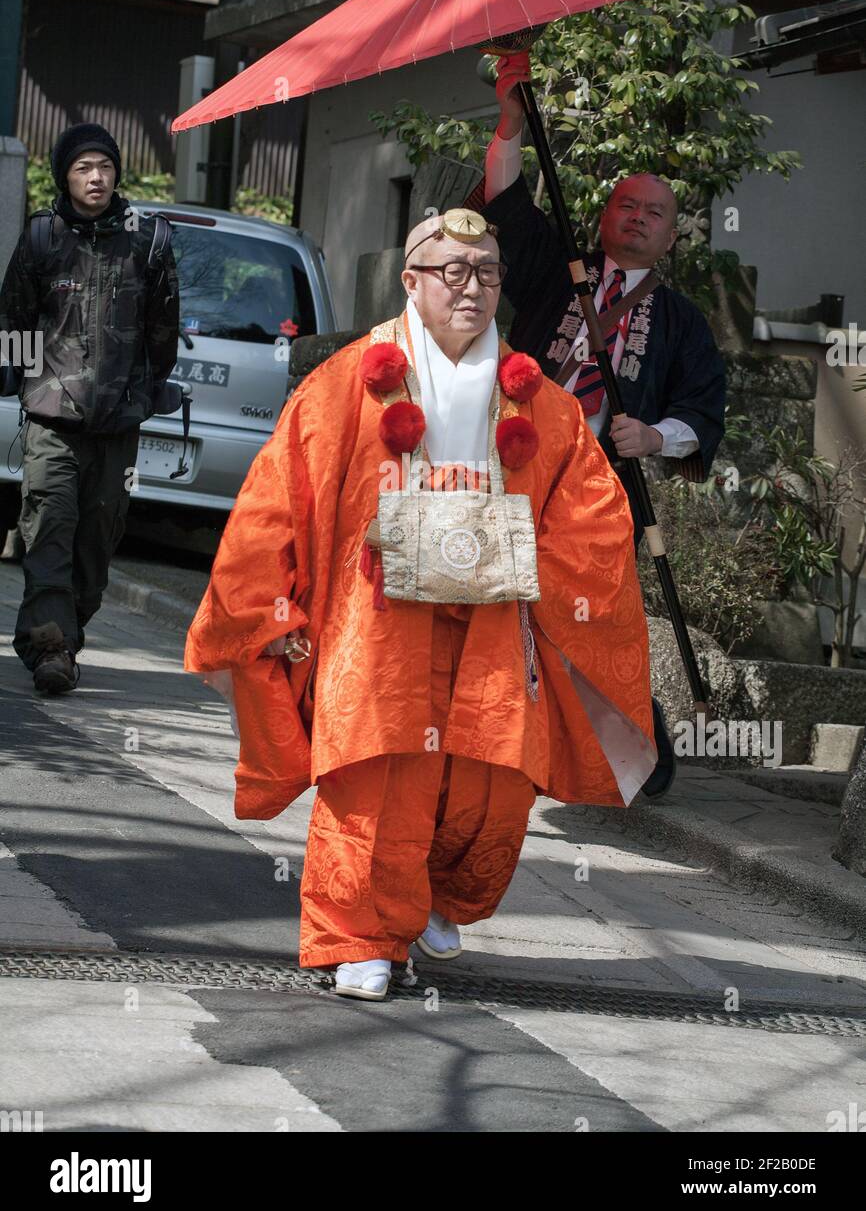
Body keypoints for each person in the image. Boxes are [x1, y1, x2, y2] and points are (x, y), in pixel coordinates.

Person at [185, 206, 657, 1002]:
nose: (473, 290)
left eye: (489, 274)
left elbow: (591, 510)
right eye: (454, 273)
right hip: (378, 616)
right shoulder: (345, 383)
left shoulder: (537, 398)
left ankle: (439, 895)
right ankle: (358, 935)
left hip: (496, 614)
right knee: (377, 765)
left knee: (492, 778)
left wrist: (542, 559)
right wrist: (268, 606)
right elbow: (279, 497)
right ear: (412, 281)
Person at [469, 53, 727, 798]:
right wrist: (512, 123)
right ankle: (495, 732)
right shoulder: (560, 269)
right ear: (606, 214)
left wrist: (654, 436)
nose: (637, 219)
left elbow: (704, 410)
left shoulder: (681, 323)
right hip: (512, 463)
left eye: (654, 214)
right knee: (494, 597)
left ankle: (635, 743)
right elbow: (506, 203)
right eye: (626, 206)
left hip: (598, 487)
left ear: (672, 236)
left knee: (591, 620)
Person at [0, 122, 179, 693]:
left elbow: (162, 329)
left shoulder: (147, 241)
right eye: (83, 168)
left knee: (98, 538)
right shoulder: (42, 238)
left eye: (104, 166)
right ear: (65, 176)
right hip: (52, 416)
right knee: (50, 525)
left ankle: (66, 639)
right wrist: (19, 376)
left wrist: (146, 390)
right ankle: (50, 648)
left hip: (118, 421)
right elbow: (16, 317)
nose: (96, 177)